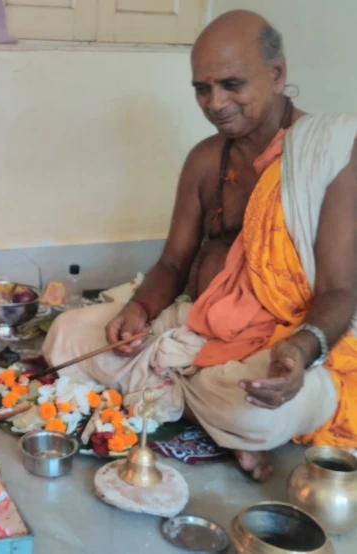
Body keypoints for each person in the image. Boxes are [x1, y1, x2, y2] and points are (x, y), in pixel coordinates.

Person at [42, 10, 357, 482]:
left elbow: (339, 292)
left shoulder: (328, 153)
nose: (215, 103)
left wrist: (300, 350)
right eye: (202, 89)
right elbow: (173, 261)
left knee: (255, 414)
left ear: (277, 74)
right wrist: (140, 309)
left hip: (280, 339)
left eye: (232, 84)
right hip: (194, 324)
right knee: (64, 337)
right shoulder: (206, 159)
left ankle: (178, 395)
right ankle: (194, 405)